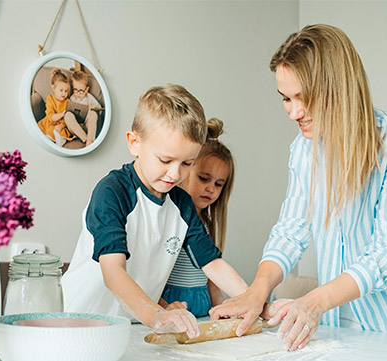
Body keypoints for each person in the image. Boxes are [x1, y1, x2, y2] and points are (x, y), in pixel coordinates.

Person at [210, 24, 387, 361]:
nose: (293, 111)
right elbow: (291, 230)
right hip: (351, 328)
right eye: (285, 98)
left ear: (338, 88)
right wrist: (257, 290)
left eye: (304, 97)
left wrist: (312, 302)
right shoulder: (303, 152)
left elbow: (386, 253)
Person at [62, 84, 248, 338]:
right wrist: (158, 315)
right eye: (165, 160)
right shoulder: (112, 192)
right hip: (86, 325)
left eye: (187, 163)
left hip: (138, 327)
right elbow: (114, 272)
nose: (175, 173)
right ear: (134, 143)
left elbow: (212, 263)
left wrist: (254, 302)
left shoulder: (181, 204)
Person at [159, 117, 235, 317]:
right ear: (185, 171)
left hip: (202, 303)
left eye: (219, 184)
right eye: (204, 179)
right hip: (172, 303)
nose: (211, 188)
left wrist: (220, 303)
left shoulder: (207, 225)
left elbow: (210, 272)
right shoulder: (170, 219)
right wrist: (163, 306)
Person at [64, 71, 102, 147]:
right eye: (75, 90)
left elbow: (100, 109)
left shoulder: (89, 97)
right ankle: (85, 138)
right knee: (67, 115)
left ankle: (90, 140)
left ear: (86, 89)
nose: (78, 93)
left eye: (81, 91)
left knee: (93, 113)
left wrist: (93, 107)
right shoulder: (72, 98)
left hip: (87, 125)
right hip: (76, 128)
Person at [37, 68, 72, 147]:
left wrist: (61, 126)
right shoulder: (50, 98)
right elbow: (51, 117)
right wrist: (62, 114)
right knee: (50, 130)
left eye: (66, 91)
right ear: (53, 88)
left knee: (63, 132)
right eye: (61, 90)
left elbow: (68, 120)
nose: (64, 93)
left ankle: (59, 141)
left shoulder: (68, 101)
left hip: (62, 125)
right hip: (50, 122)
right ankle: (48, 140)